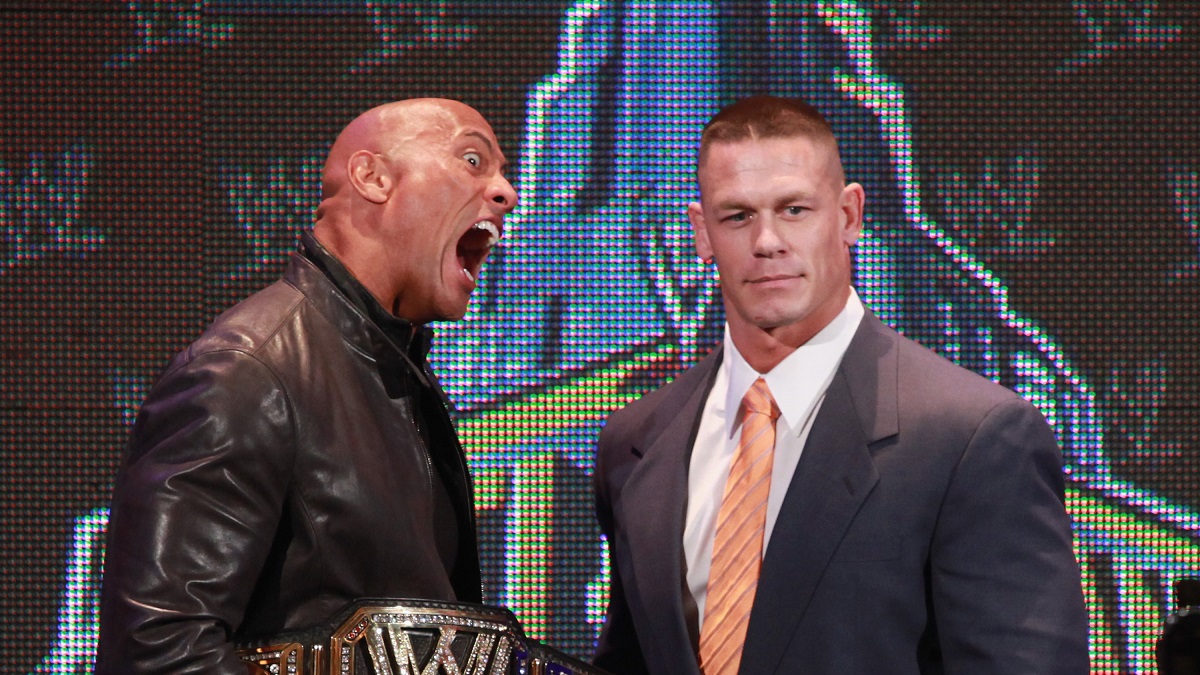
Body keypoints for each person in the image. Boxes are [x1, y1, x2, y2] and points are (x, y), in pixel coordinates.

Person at [592, 95, 1089, 674]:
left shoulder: (972, 436)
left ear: (849, 215)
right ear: (701, 232)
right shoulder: (637, 439)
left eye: (795, 209)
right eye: (737, 216)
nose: (767, 241)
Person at [96, 98, 517, 673]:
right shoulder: (244, 373)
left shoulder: (395, 373)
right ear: (373, 178)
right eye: (473, 160)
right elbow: (157, 654)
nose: (506, 191)